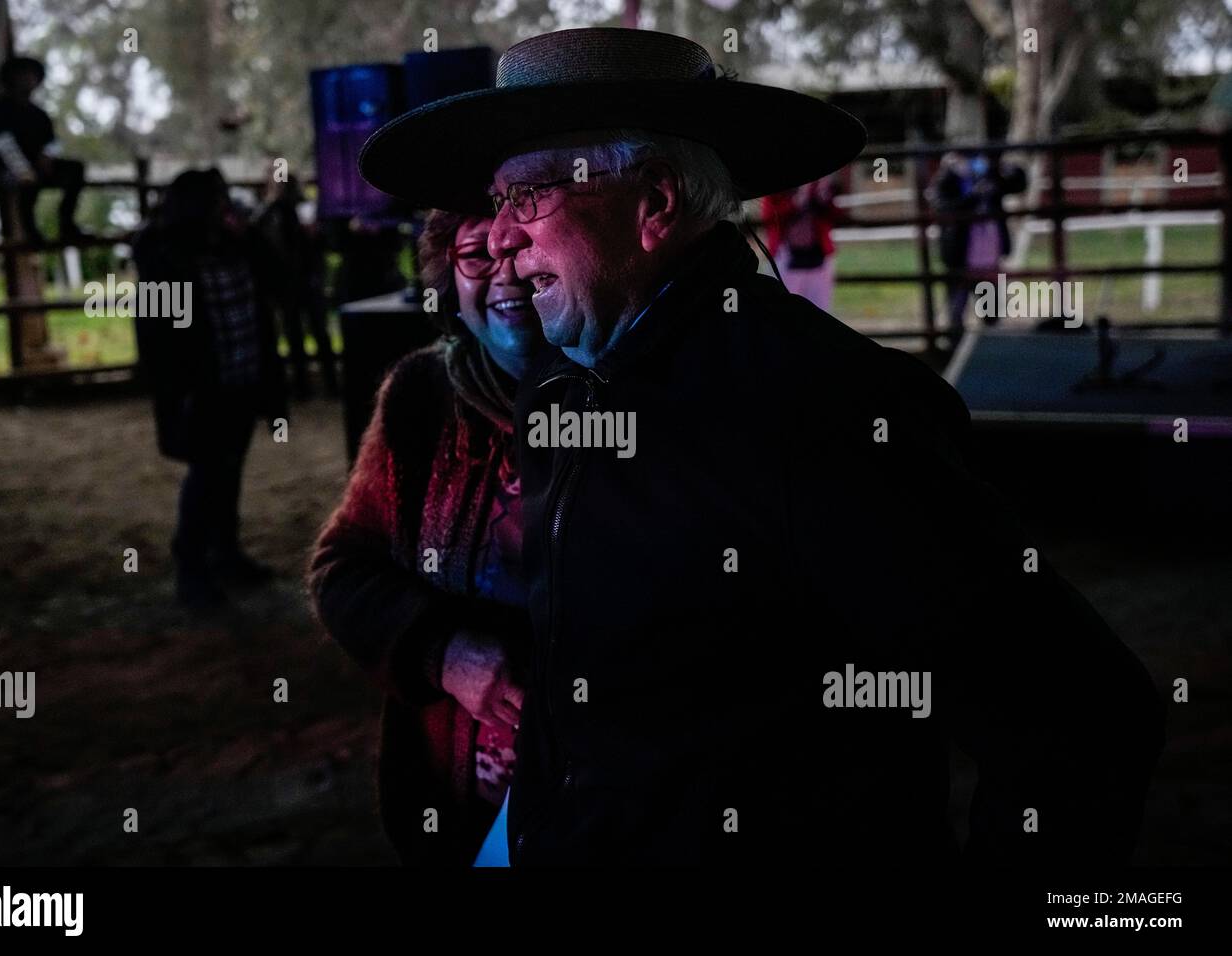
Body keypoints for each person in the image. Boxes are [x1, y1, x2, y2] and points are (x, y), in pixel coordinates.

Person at [357, 27, 1165, 866]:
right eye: (496, 202)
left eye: (528, 196)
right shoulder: (559, 388)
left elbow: (1082, 716)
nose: (500, 237)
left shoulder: (823, 411)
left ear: (655, 202)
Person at [307, 211, 547, 865]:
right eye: (475, 255)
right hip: (454, 799)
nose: (506, 276)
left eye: (523, 249)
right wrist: (444, 651)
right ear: (448, 282)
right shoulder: (422, 396)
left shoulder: (632, 402)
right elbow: (342, 568)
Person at [133, 169, 287, 610]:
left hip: (242, 378)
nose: (227, 208)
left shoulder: (237, 243)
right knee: (205, 474)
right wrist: (173, 390)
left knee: (230, 468)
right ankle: (191, 568)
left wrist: (253, 236)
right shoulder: (164, 255)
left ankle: (226, 555)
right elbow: (154, 333)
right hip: (199, 389)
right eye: (217, 201)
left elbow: (281, 284)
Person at [0, 55, 90, 245]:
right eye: (24, 75)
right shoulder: (1, 109)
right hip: (11, 171)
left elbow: (52, 142)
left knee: (76, 169)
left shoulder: (39, 114)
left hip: (39, 168)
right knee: (27, 182)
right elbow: (2, 143)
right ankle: (30, 232)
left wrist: (47, 156)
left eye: (32, 76)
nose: (29, 80)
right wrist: (22, 169)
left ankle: (67, 224)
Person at [930, 150, 1028, 341]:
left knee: (991, 311)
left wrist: (1007, 169)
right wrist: (973, 194)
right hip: (960, 255)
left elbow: (1018, 184)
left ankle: (990, 347)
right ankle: (953, 348)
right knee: (956, 310)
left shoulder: (991, 178)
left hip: (988, 254)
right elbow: (945, 208)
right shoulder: (947, 181)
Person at [255, 176, 339, 398]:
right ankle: (315, 385)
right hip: (295, 281)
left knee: (309, 333)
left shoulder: (288, 210)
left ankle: (316, 385)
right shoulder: (279, 211)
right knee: (306, 333)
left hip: (297, 281)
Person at [761, 174, 846, 309]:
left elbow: (838, 215)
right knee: (782, 309)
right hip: (786, 257)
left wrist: (823, 198)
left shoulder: (819, 185)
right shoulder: (775, 188)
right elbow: (769, 217)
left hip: (819, 256)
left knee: (821, 310)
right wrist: (797, 201)